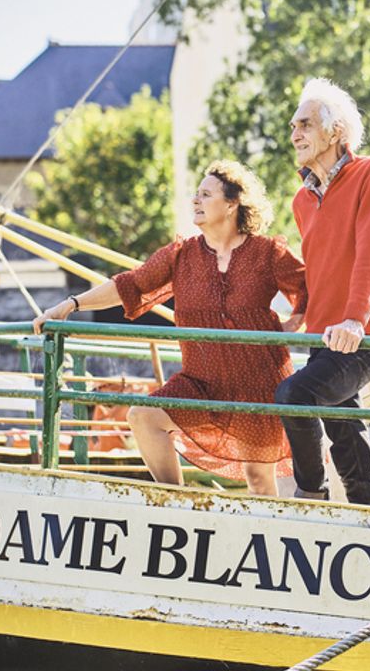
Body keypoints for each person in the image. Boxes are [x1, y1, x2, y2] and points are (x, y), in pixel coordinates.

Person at [31, 160, 307, 496]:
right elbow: (129, 284)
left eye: (206, 194)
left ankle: (265, 542)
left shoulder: (267, 252)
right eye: (196, 194)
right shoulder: (181, 255)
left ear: (233, 203)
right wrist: (71, 305)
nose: (196, 200)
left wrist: (296, 321)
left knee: (259, 479)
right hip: (201, 382)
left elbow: (308, 288)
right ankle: (175, 503)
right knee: (143, 418)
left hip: (258, 383)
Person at [275, 78, 370, 506]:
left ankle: (311, 495)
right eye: (293, 125)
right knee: (344, 425)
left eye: (305, 124)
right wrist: (301, 311)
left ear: (336, 131)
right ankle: (369, 509)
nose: (295, 134)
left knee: (296, 394)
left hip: (366, 333)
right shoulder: (301, 200)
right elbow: (320, 267)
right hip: (326, 334)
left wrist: (355, 320)